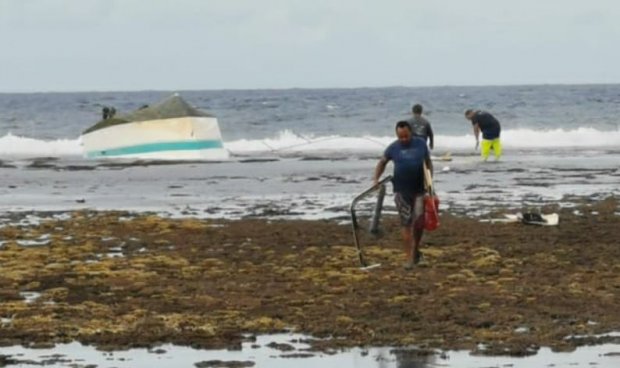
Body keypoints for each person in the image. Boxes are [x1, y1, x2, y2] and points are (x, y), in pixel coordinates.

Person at [374, 121, 433, 270]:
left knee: (419, 223)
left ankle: (415, 251)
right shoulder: (393, 148)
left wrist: (430, 183)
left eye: (406, 136)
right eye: (400, 137)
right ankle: (409, 259)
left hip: (420, 190)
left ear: (411, 133)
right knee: (406, 224)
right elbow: (382, 162)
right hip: (401, 191)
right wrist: (375, 179)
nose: (403, 139)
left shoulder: (420, 144)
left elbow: (428, 163)